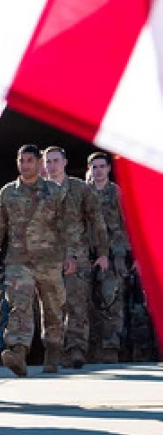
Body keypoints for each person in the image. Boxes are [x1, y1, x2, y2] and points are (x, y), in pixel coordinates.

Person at [0, 145, 80, 376]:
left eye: (29, 160)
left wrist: (71, 255)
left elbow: (71, 226)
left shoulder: (55, 192)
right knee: (19, 306)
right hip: (19, 262)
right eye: (21, 160)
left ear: (39, 163)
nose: (25, 165)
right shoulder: (7, 193)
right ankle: (17, 351)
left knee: (53, 309)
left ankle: (53, 350)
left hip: (50, 261)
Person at [43, 146, 109, 368]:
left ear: (65, 162)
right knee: (52, 307)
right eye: (48, 161)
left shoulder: (80, 189)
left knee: (77, 304)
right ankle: (55, 351)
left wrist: (103, 253)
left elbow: (96, 221)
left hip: (78, 255)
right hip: (48, 258)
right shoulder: (37, 190)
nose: (52, 165)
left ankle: (77, 349)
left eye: (56, 161)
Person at [85, 152, 131, 363]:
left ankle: (110, 350)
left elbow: (131, 226)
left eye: (102, 166)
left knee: (112, 302)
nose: (98, 171)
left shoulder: (117, 194)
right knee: (88, 302)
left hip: (114, 258)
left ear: (109, 168)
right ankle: (92, 351)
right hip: (89, 255)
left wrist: (135, 257)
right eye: (94, 167)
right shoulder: (84, 194)